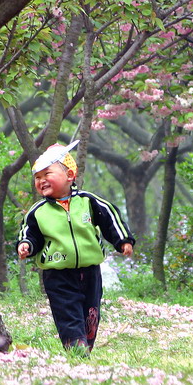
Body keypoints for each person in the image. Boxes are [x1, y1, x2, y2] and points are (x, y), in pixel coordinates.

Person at [16, 140, 134, 356]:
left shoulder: (89, 202)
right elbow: (29, 232)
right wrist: (26, 245)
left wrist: (123, 240)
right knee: (66, 312)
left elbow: (111, 219)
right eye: (37, 177)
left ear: (69, 175)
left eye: (47, 174)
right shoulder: (38, 211)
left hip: (90, 271)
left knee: (90, 312)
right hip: (57, 273)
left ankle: (85, 344)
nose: (41, 180)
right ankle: (76, 349)